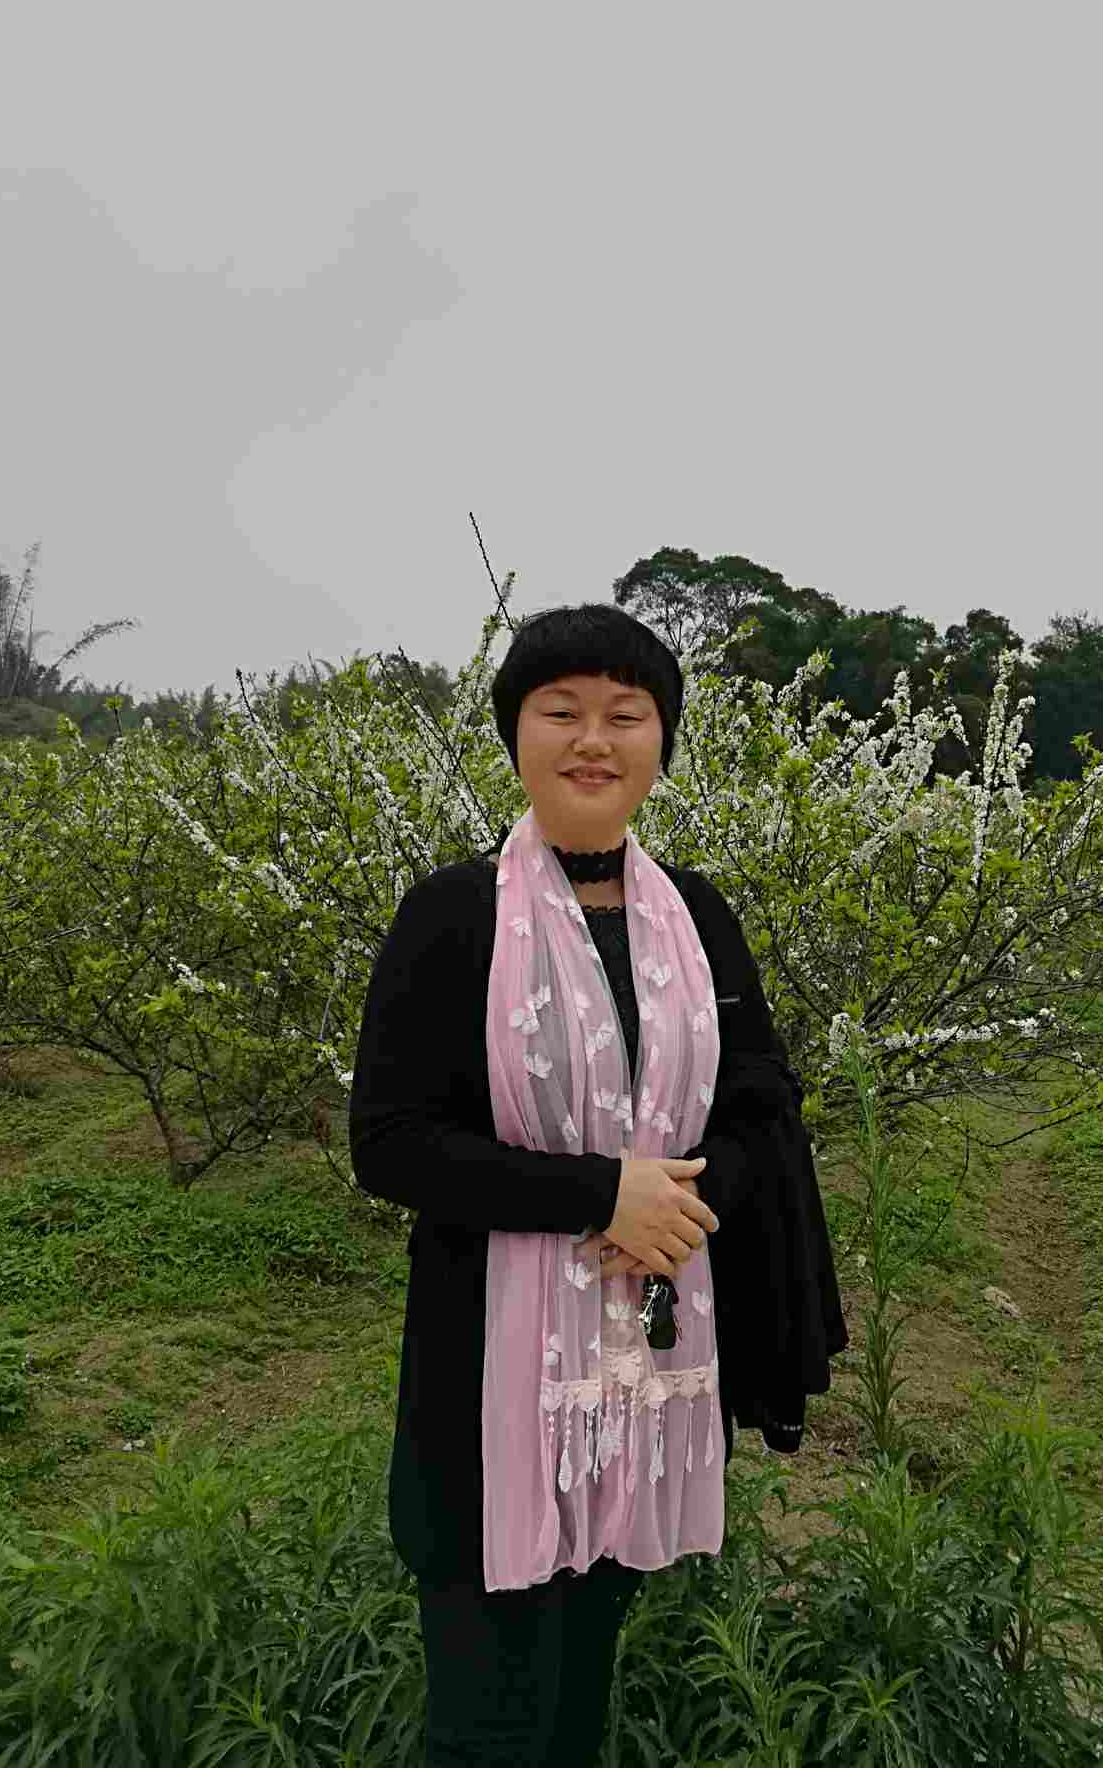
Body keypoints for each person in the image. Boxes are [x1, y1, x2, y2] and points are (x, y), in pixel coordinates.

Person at [349, 603, 845, 1766]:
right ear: (515, 734)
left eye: (626, 715)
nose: (593, 739)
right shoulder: (452, 914)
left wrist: (681, 1202)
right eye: (560, 710)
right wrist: (597, 1195)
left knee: (578, 1705)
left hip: (643, 1380)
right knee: (484, 1725)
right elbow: (391, 1141)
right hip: (484, 1401)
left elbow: (761, 1097)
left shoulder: (697, 916)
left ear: (660, 741)